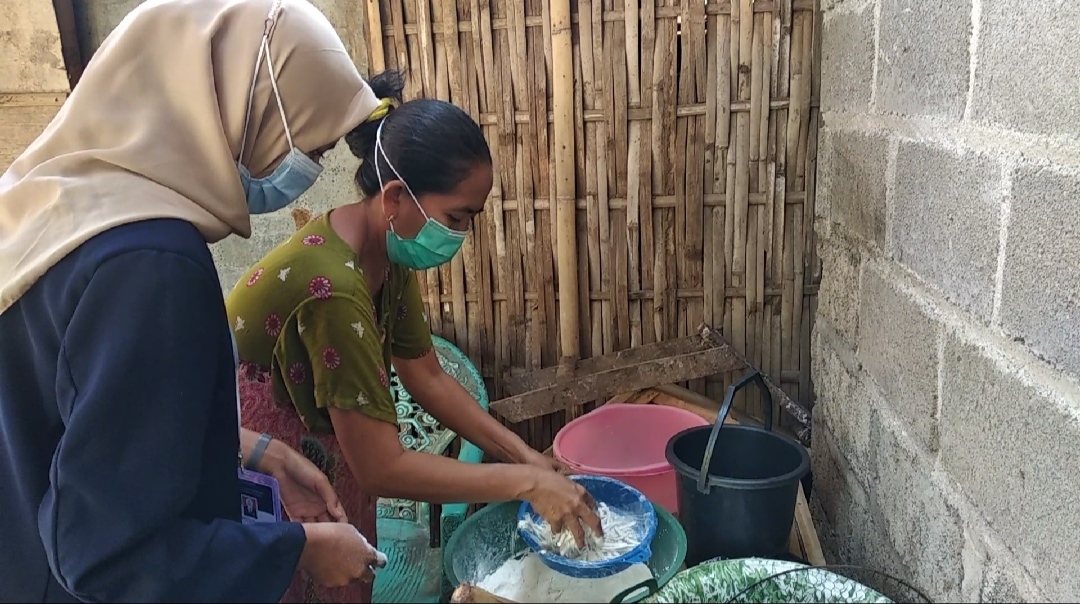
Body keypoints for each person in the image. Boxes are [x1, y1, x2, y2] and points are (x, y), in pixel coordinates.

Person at [0, 0, 393, 601]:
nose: (309, 171)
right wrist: (299, 549)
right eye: (309, 149)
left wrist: (252, 449)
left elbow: (78, 414)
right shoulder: (151, 265)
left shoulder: (48, 204)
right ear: (239, 107)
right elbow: (106, 556)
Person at [225, 70, 603, 603]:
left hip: (330, 459)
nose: (461, 235)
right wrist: (525, 484)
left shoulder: (384, 254)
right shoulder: (332, 289)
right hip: (268, 476)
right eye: (457, 216)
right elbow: (382, 467)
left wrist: (523, 456)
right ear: (397, 197)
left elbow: (425, 373)